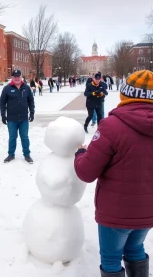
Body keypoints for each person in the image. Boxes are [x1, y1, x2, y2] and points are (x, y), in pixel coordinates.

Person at [74, 70, 153, 277]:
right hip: (148, 211)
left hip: (116, 212)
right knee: (136, 249)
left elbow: (86, 172)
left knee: (111, 259)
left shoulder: (112, 126)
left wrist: (81, 153)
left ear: (124, 94)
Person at [0, 69, 35, 164]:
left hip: (23, 118)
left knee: (24, 137)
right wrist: (3, 115)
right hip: (12, 118)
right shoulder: (7, 88)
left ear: (21, 77)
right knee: (12, 137)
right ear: (12, 78)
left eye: (18, 76)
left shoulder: (26, 88)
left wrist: (32, 112)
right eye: (15, 76)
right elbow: (2, 103)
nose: (17, 78)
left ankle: (27, 154)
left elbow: (31, 101)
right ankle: (11, 154)